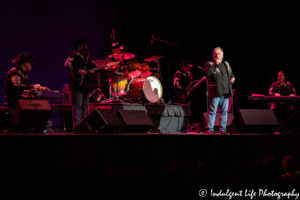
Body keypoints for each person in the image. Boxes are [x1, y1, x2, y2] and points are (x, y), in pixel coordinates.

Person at [64, 37, 98, 127]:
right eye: (83, 45)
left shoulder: (87, 57)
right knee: (78, 107)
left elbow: (94, 66)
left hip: (86, 85)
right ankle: (77, 126)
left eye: (86, 45)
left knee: (85, 107)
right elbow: (67, 64)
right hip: (77, 84)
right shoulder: (73, 55)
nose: (86, 46)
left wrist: (105, 66)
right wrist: (78, 70)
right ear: (78, 46)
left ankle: (84, 126)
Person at [205, 47, 235, 134]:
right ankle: (209, 129)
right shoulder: (209, 63)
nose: (217, 55)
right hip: (215, 92)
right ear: (213, 55)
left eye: (218, 53)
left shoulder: (226, 64)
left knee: (224, 111)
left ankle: (223, 129)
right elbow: (207, 73)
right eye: (215, 54)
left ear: (222, 55)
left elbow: (231, 74)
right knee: (213, 111)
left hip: (225, 91)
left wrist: (233, 79)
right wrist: (215, 64)